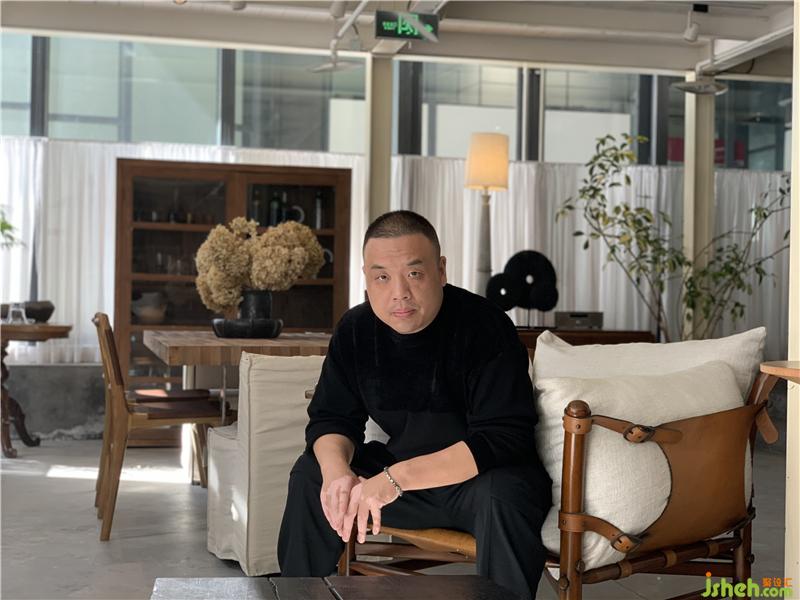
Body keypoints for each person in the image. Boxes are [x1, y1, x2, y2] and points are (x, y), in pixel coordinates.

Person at [277, 210, 551, 599]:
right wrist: (338, 475)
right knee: (311, 474)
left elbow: (503, 438)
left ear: (441, 271)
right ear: (366, 278)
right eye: (382, 277)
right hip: (405, 484)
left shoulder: (485, 325)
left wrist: (395, 479)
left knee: (503, 494)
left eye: (414, 273)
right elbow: (330, 418)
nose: (399, 292)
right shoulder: (355, 330)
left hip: (480, 484)